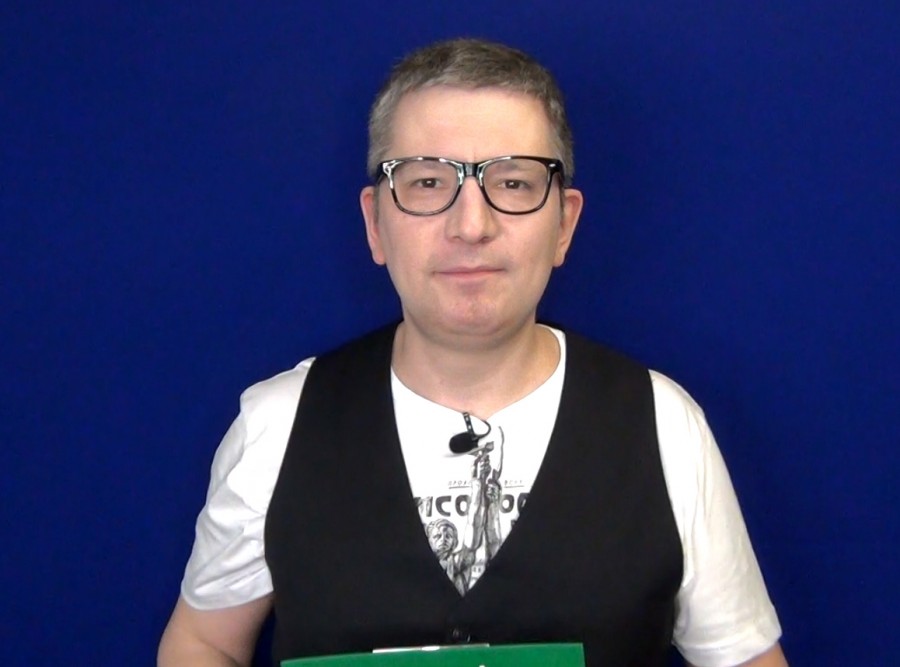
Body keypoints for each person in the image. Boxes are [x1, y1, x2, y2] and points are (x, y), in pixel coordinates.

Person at [158, 38, 788, 667]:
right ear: (375, 224)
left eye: (512, 183)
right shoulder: (278, 424)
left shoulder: (663, 424)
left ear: (564, 224)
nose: (471, 226)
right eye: (428, 182)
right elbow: (203, 642)